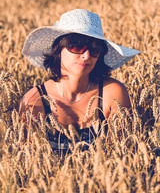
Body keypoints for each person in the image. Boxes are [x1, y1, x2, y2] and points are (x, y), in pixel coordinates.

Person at [19, 9, 140, 151]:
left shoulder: (113, 94)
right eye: (76, 46)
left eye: (94, 49)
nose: (87, 55)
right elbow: (32, 162)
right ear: (58, 48)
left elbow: (123, 153)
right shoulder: (34, 102)